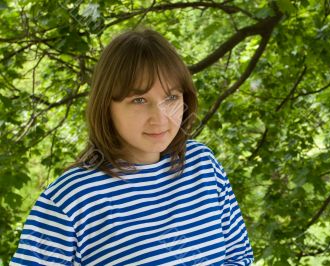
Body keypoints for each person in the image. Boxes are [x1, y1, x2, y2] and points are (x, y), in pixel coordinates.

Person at [10, 27, 254, 265]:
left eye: (171, 98)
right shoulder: (72, 198)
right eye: (139, 100)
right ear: (107, 106)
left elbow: (239, 257)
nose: (159, 118)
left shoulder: (202, 165)